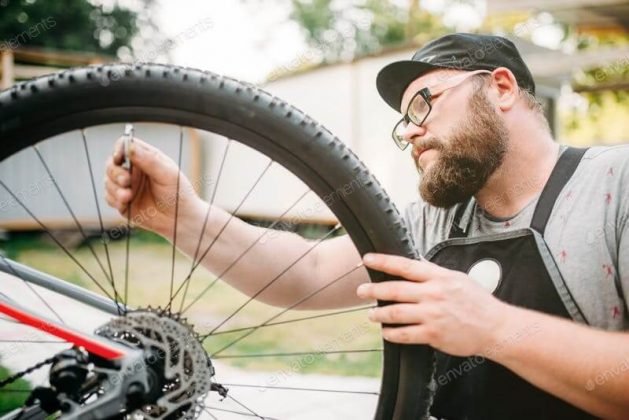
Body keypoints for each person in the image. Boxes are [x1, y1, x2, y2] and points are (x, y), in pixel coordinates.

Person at [105, 33, 629, 418]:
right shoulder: (435, 221)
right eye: (404, 121)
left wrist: (494, 328)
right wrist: (184, 217)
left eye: (425, 102)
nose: (412, 131)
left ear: (501, 88)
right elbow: (307, 271)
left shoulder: (615, 184)